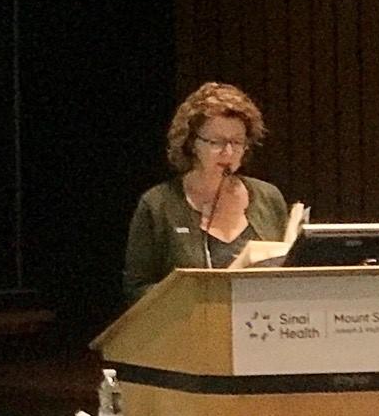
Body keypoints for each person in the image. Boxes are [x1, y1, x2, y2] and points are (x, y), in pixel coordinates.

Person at [123, 81, 289, 302]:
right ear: (192, 143)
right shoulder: (158, 204)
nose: (228, 152)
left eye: (237, 142)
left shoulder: (268, 197)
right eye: (216, 142)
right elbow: (137, 289)